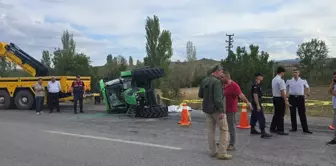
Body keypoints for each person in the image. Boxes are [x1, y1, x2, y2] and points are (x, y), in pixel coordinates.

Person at [198, 65, 232, 160]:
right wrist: (222, 110)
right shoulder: (217, 82)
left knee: (211, 131)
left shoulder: (204, 80)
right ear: (217, 71)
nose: (222, 74)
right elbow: (218, 99)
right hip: (217, 110)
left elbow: (200, 95)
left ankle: (213, 151)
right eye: (221, 72)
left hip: (207, 110)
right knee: (224, 130)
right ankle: (222, 153)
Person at [221, 71, 253, 151]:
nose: (221, 78)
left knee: (231, 127)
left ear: (227, 77)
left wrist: (248, 103)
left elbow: (241, 95)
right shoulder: (223, 84)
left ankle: (232, 144)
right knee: (223, 126)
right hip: (223, 109)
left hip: (231, 110)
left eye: (222, 77)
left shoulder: (234, 86)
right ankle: (223, 141)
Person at [286, 69, 312, 134]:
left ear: (299, 73)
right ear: (292, 73)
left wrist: (307, 94)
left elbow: (308, 87)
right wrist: (286, 95)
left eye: (296, 72)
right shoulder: (289, 81)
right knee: (293, 113)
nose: (295, 73)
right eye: (294, 72)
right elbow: (285, 88)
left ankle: (305, 129)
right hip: (292, 98)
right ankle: (294, 128)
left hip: (300, 98)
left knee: (302, 113)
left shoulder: (303, 81)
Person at [250, 73, 273, 138]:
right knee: (261, 117)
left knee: (254, 116)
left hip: (254, 102)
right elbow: (255, 95)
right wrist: (258, 105)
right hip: (256, 103)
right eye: (262, 76)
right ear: (258, 77)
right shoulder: (256, 85)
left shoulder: (256, 84)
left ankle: (252, 129)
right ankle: (263, 132)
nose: (262, 77)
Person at [270, 66, 290, 135]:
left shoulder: (273, 79)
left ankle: (272, 128)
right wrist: (286, 100)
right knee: (281, 115)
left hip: (275, 98)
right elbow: (282, 91)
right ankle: (280, 129)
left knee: (276, 114)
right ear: (282, 72)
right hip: (280, 98)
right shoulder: (281, 80)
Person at [326, 72, 336, 145]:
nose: (335, 78)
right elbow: (329, 90)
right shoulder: (334, 84)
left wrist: (332, 92)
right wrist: (333, 82)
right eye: (334, 77)